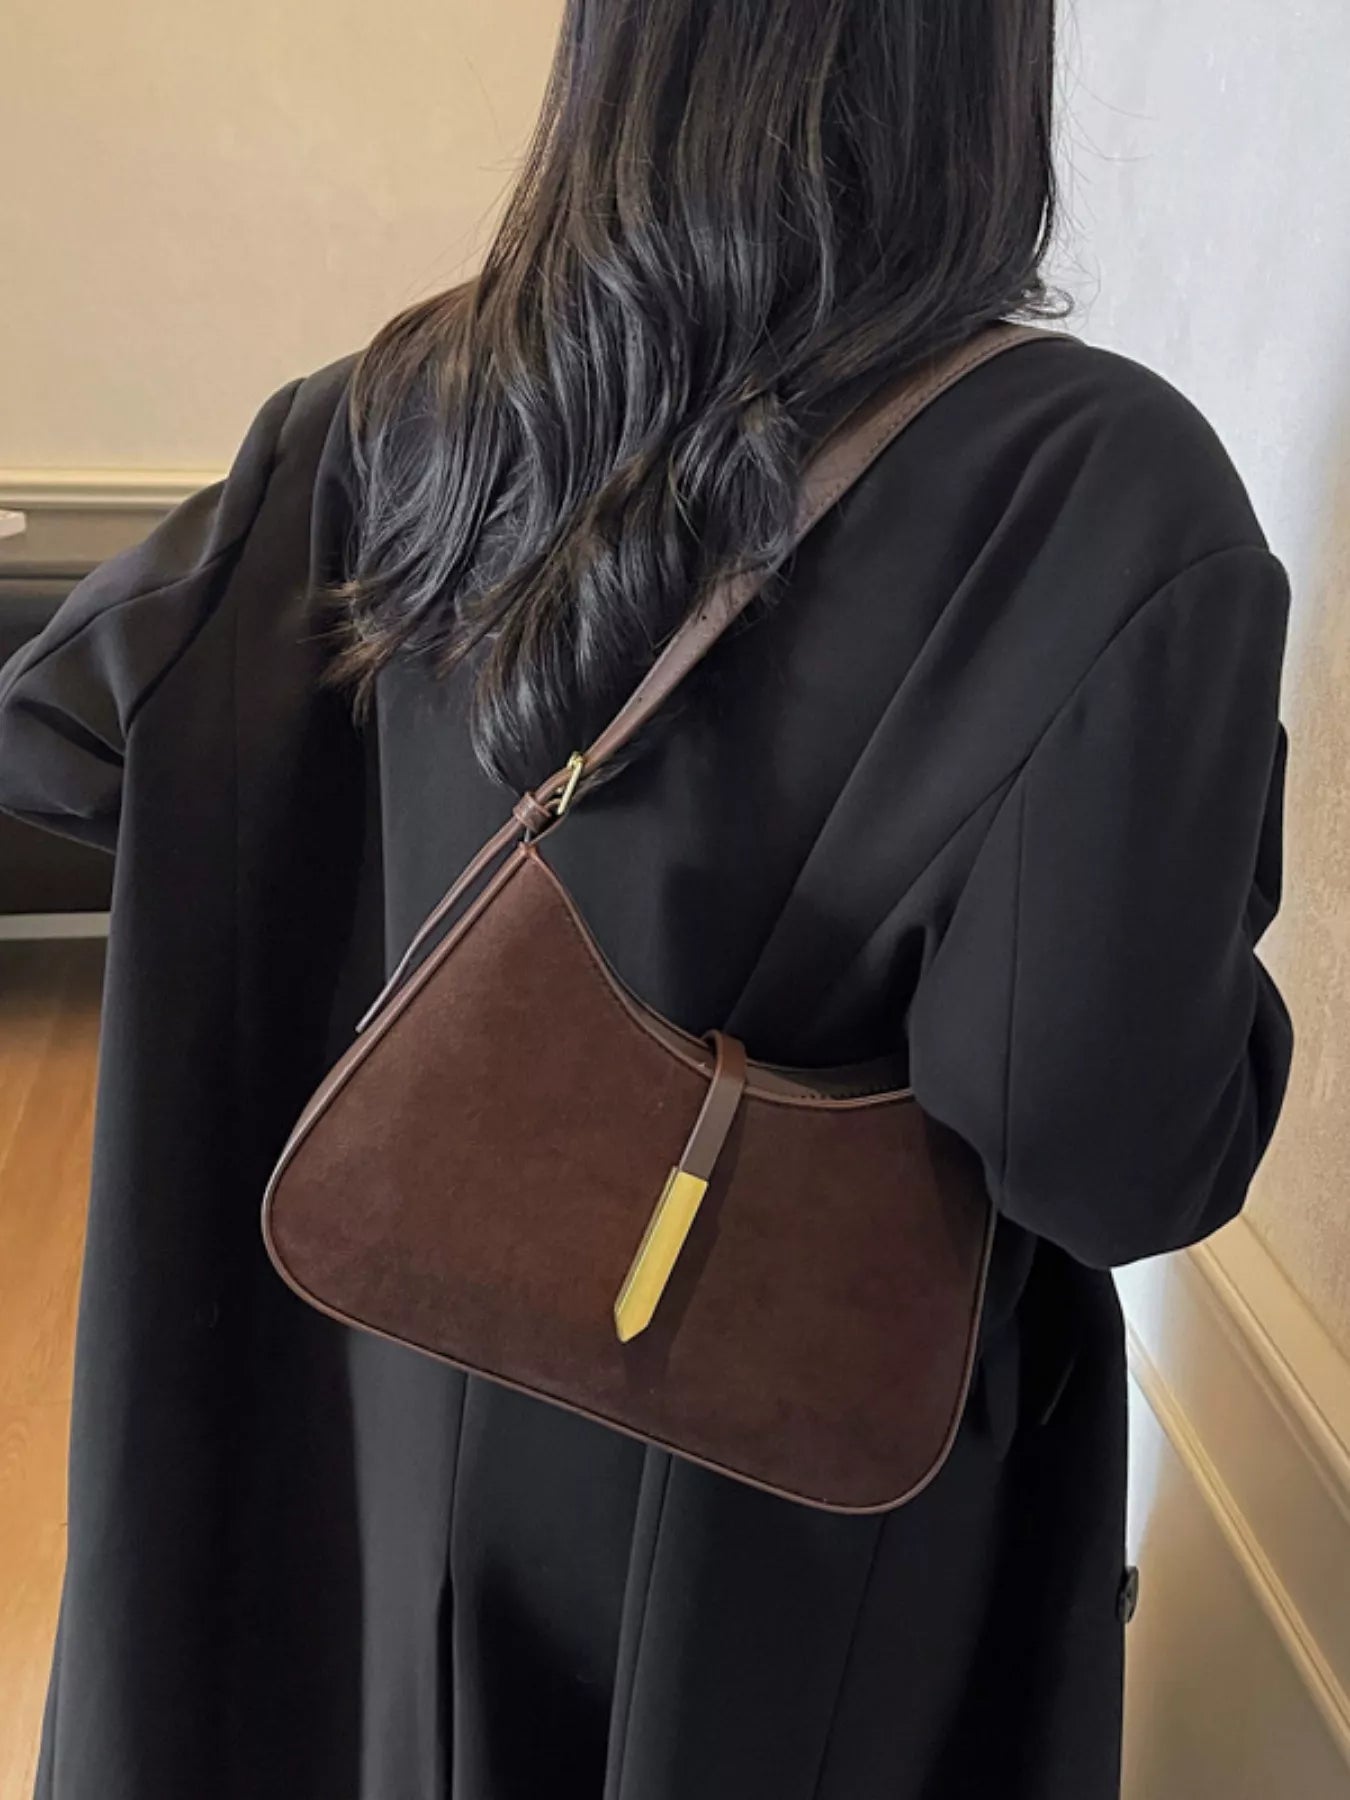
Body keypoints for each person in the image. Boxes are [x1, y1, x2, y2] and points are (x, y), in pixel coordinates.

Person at [0, 2, 1292, 1796]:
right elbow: (1103, 1146)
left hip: (351, 1417)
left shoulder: (379, 414)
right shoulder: (1087, 487)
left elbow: (59, 738)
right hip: (767, 1536)